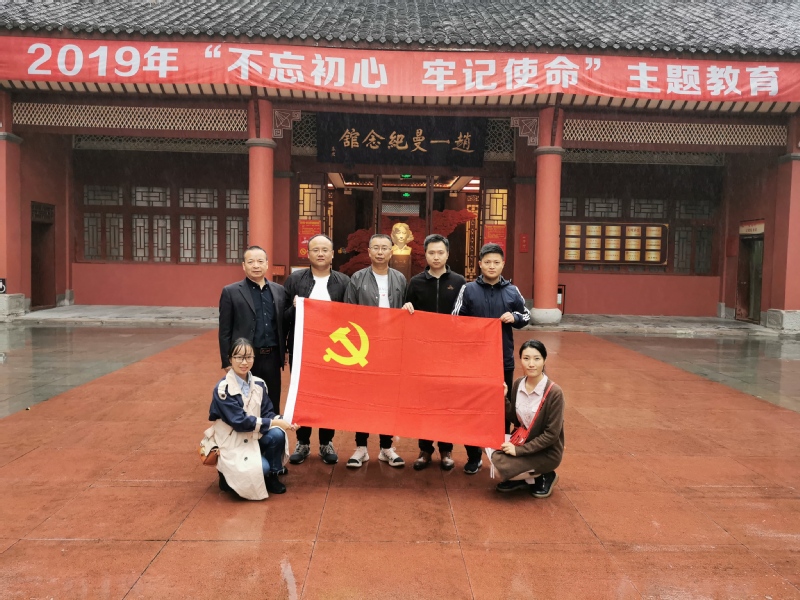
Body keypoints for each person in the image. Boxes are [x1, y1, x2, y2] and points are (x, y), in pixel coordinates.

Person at [452, 242, 531, 474]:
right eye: (487, 262)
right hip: (474, 361)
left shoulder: (512, 291)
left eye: (496, 262)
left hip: (502, 360)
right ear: (480, 264)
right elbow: (455, 318)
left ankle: (500, 456)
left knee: (501, 408)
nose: (492, 266)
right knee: (473, 408)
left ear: (503, 264)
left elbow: (527, 315)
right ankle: (473, 456)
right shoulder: (468, 289)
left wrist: (515, 317)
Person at [284, 234, 351, 466]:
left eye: (325, 250)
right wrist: (295, 308)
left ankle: (326, 442)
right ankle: (302, 442)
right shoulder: (295, 280)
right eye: (315, 250)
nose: (320, 254)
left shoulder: (343, 281)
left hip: (333, 350)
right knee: (303, 394)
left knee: (328, 396)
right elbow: (282, 316)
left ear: (332, 254)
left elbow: (351, 316)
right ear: (308, 254)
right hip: (302, 348)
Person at [402, 233, 466, 471]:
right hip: (424, 352)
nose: (436, 257)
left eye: (440, 252)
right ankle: (425, 449)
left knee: (447, 401)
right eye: (431, 253)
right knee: (426, 401)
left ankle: (446, 450)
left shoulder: (459, 281)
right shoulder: (416, 282)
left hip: (451, 352)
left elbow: (466, 315)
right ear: (425, 255)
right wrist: (406, 308)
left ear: (447, 254)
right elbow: (407, 311)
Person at [343, 233, 408, 468]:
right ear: (369, 252)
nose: (380, 252)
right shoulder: (357, 278)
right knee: (362, 397)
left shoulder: (400, 278)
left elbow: (407, 309)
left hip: (390, 347)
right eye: (376, 248)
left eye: (384, 248)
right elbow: (348, 312)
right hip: (364, 348)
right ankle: (361, 447)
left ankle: (386, 448)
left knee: (388, 398)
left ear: (391, 252)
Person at [208, 338, 296, 500]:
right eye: (239, 357)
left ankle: (272, 475)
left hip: (252, 436)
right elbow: (240, 422)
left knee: (278, 434)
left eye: (249, 357)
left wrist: (287, 421)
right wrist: (275, 422)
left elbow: (268, 413)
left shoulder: (259, 384)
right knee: (262, 467)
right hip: (233, 441)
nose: (244, 362)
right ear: (230, 359)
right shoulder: (222, 389)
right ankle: (225, 474)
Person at [219, 245, 289, 415]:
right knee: (246, 404)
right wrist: (227, 362)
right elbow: (225, 330)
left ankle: (272, 431)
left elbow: (283, 324)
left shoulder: (279, 291)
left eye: (260, 261)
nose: (256, 265)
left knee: (272, 402)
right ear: (244, 265)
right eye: (251, 262)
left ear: (267, 264)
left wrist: (285, 350)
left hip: (272, 357)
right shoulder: (231, 292)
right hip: (245, 358)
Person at [491, 340, 564, 499]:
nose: (531, 364)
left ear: (544, 360)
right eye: (526, 358)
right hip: (522, 440)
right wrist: (503, 398)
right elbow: (515, 418)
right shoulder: (518, 384)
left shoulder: (555, 393)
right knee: (485, 442)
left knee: (498, 470)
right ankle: (523, 478)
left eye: (537, 359)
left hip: (546, 452)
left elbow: (551, 435)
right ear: (520, 360)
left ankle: (545, 475)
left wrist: (518, 451)